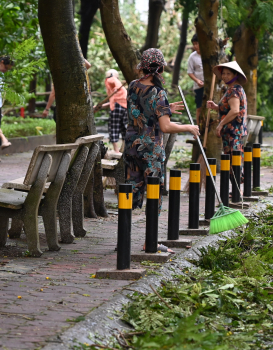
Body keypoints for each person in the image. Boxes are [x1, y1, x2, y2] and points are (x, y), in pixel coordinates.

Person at [125, 49, 200, 253]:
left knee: (129, 193)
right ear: (160, 67)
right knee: (154, 195)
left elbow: (141, 111)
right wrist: (189, 128)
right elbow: (165, 127)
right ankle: (150, 243)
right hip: (151, 152)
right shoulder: (159, 93)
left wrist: (166, 108)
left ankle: (122, 242)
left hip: (132, 149)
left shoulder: (132, 85)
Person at [206, 61, 247, 156]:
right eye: (223, 73)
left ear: (235, 74)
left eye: (228, 74)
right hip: (231, 132)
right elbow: (229, 109)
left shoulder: (234, 90)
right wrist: (216, 107)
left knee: (234, 162)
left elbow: (235, 111)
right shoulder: (232, 89)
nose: (225, 76)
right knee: (230, 163)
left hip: (234, 132)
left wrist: (220, 124)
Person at [101, 69, 127, 152]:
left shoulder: (110, 79)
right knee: (124, 127)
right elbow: (113, 100)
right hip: (124, 106)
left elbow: (115, 81)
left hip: (117, 106)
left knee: (114, 127)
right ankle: (123, 149)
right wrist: (100, 106)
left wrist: (116, 87)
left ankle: (116, 150)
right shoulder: (119, 89)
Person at [186, 34, 204, 124]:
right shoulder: (192, 57)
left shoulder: (209, 55)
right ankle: (198, 129)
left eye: (197, 43)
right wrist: (197, 80)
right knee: (199, 107)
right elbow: (190, 72)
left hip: (211, 86)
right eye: (194, 44)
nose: (195, 46)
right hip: (199, 86)